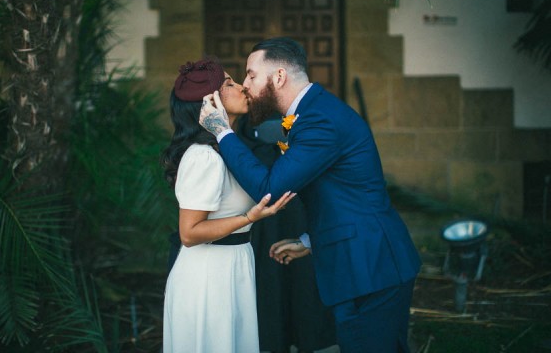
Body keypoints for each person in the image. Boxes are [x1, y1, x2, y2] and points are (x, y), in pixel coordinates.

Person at [199, 37, 422, 353]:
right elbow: (342, 192)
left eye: (250, 74)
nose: (246, 84)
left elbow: (269, 190)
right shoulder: (312, 112)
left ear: (278, 77)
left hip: (370, 267)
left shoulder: (319, 119)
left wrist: (222, 131)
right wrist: (310, 240)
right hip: (362, 261)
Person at [160, 58, 295, 353]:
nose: (242, 87)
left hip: (234, 265)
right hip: (207, 278)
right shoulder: (203, 157)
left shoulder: (227, 150)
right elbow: (189, 233)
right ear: (210, 101)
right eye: (229, 83)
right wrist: (250, 216)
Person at [236, 114, 337, 353]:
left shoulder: (303, 118)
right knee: (270, 281)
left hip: (300, 213)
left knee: (304, 283)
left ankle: (306, 339)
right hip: (264, 222)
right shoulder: (242, 130)